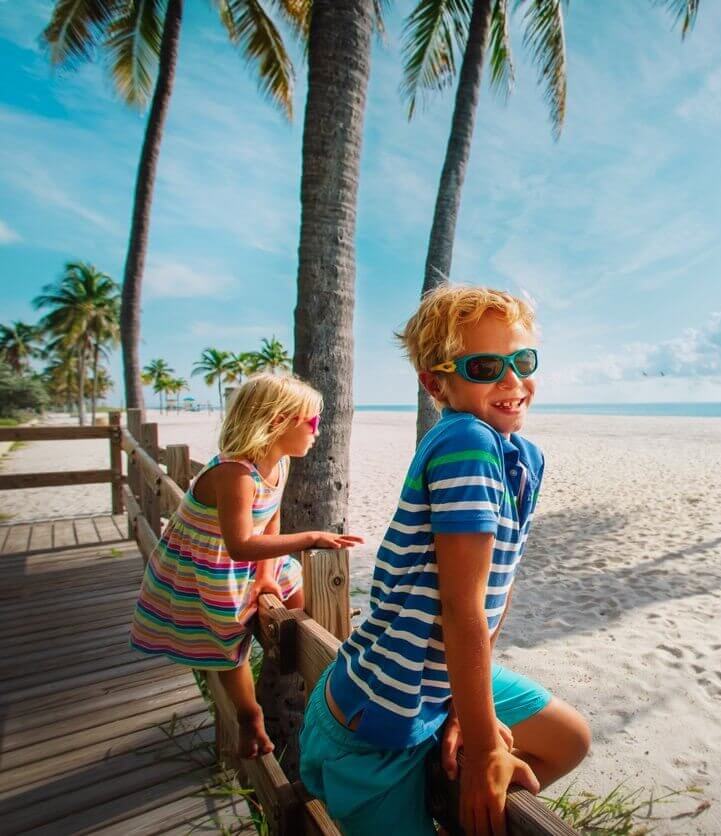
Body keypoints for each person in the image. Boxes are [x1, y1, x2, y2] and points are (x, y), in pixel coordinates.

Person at [300, 286, 591, 836]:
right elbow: (460, 607)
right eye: (485, 366)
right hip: (376, 721)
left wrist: (463, 710)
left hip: (436, 689)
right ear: (436, 383)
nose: (512, 381)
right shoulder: (465, 441)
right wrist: (483, 750)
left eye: (522, 361)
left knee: (568, 738)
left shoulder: (523, 457)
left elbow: (492, 594)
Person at [130, 373, 364, 758]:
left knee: (308, 607)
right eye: (311, 422)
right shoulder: (235, 473)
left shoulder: (279, 463)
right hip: (207, 563)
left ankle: (321, 660)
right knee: (226, 639)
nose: (316, 431)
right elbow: (240, 544)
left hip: (256, 560)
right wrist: (311, 538)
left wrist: (266, 577)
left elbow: (270, 520)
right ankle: (248, 716)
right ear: (276, 422)